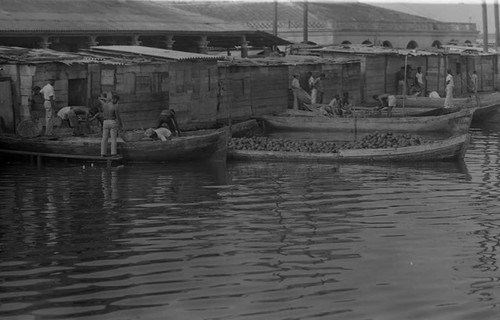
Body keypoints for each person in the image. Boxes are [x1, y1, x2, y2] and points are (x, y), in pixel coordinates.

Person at [99, 93, 121, 157]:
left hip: (105, 122)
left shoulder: (104, 104)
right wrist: (120, 124)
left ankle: (103, 153)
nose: (117, 102)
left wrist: (107, 99)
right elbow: (117, 117)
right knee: (113, 139)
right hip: (112, 122)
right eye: (117, 100)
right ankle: (113, 154)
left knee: (104, 138)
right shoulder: (115, 106)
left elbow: (99, 98)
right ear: (114, 99)